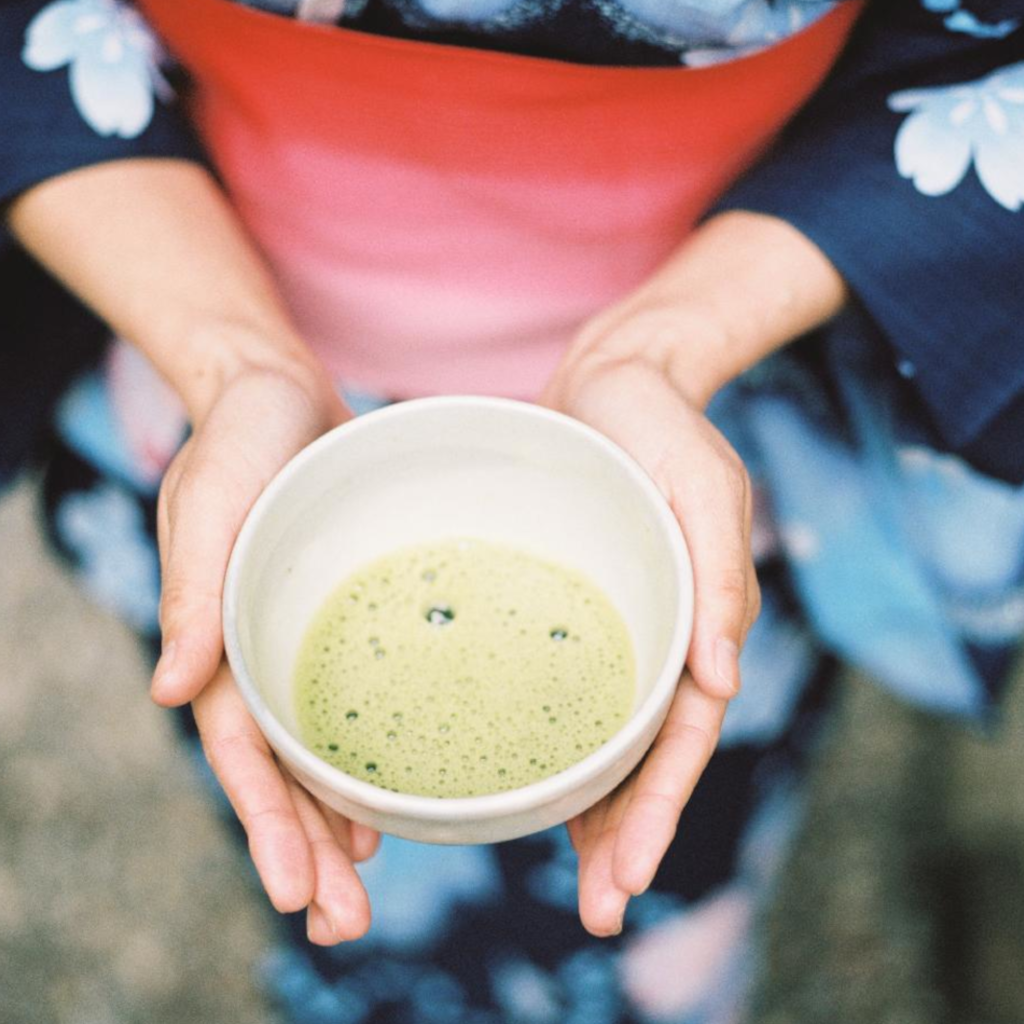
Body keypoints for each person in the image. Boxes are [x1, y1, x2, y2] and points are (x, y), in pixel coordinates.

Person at [2, 0, 1023, 1020]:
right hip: (230, 399)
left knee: (663, 880)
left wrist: (666, 346)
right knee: (323, 865)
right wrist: (231, 360)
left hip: (688, 427)